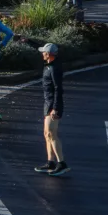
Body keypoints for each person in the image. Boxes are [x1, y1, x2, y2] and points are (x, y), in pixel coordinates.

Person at [33, 42, 69, 176]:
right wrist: (27, 41)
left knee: (52, 133)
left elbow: (58, 89)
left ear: (48, 54)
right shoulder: (49, 64)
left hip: (53, 105)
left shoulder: (54, 69)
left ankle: (61, 163)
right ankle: (50, 162)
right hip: (48, 103)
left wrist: (55, 108)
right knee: (46, 133)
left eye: (44, 52)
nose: (42, 54)